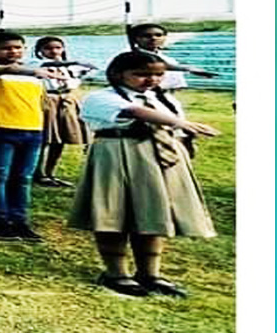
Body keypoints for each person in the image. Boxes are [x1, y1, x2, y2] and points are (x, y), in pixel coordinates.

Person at [68, 51, 219, 297]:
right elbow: (135, 113)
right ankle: (116, 272)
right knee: (114, 212)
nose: (150, 80)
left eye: (158, 75)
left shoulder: (162, 99)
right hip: (118, 154)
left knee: (154, 212)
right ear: (118, 74)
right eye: (141, 74)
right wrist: (178, 123)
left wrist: (183, 137)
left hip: (159, 158)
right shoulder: (101, 97)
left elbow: (171, 124)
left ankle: (150, 273)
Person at [0, 31, 67, 242]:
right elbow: (10, 68)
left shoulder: (34, 77)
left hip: (32, 130)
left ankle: (20, 221)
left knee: (23, 178)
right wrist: (41, 72)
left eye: (18, 47)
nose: (13, 51)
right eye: (5, 48)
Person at [32, 36, 96, 188]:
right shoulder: (37, 64)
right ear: (39, 51)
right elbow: (48, 65)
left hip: (67, 99)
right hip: (48, 99)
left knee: (62, 138)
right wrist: (75, 63)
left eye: (57, 48)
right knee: (46, 138)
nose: (53, 51)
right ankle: (38, 172)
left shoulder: (71, 68)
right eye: (48, 48)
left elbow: (91, 70)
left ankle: (50, 172)